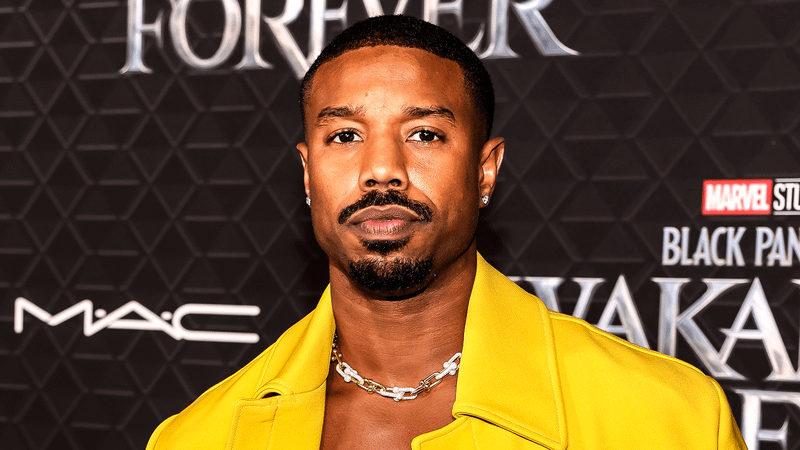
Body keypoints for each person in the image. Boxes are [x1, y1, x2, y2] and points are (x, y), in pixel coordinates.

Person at [146, 15, 747, 450]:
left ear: (485, 171)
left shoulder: (670, 419)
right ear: (307, 173)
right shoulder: (199, 436)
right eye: (345, 136)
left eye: (424, 134)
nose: (382, 169)